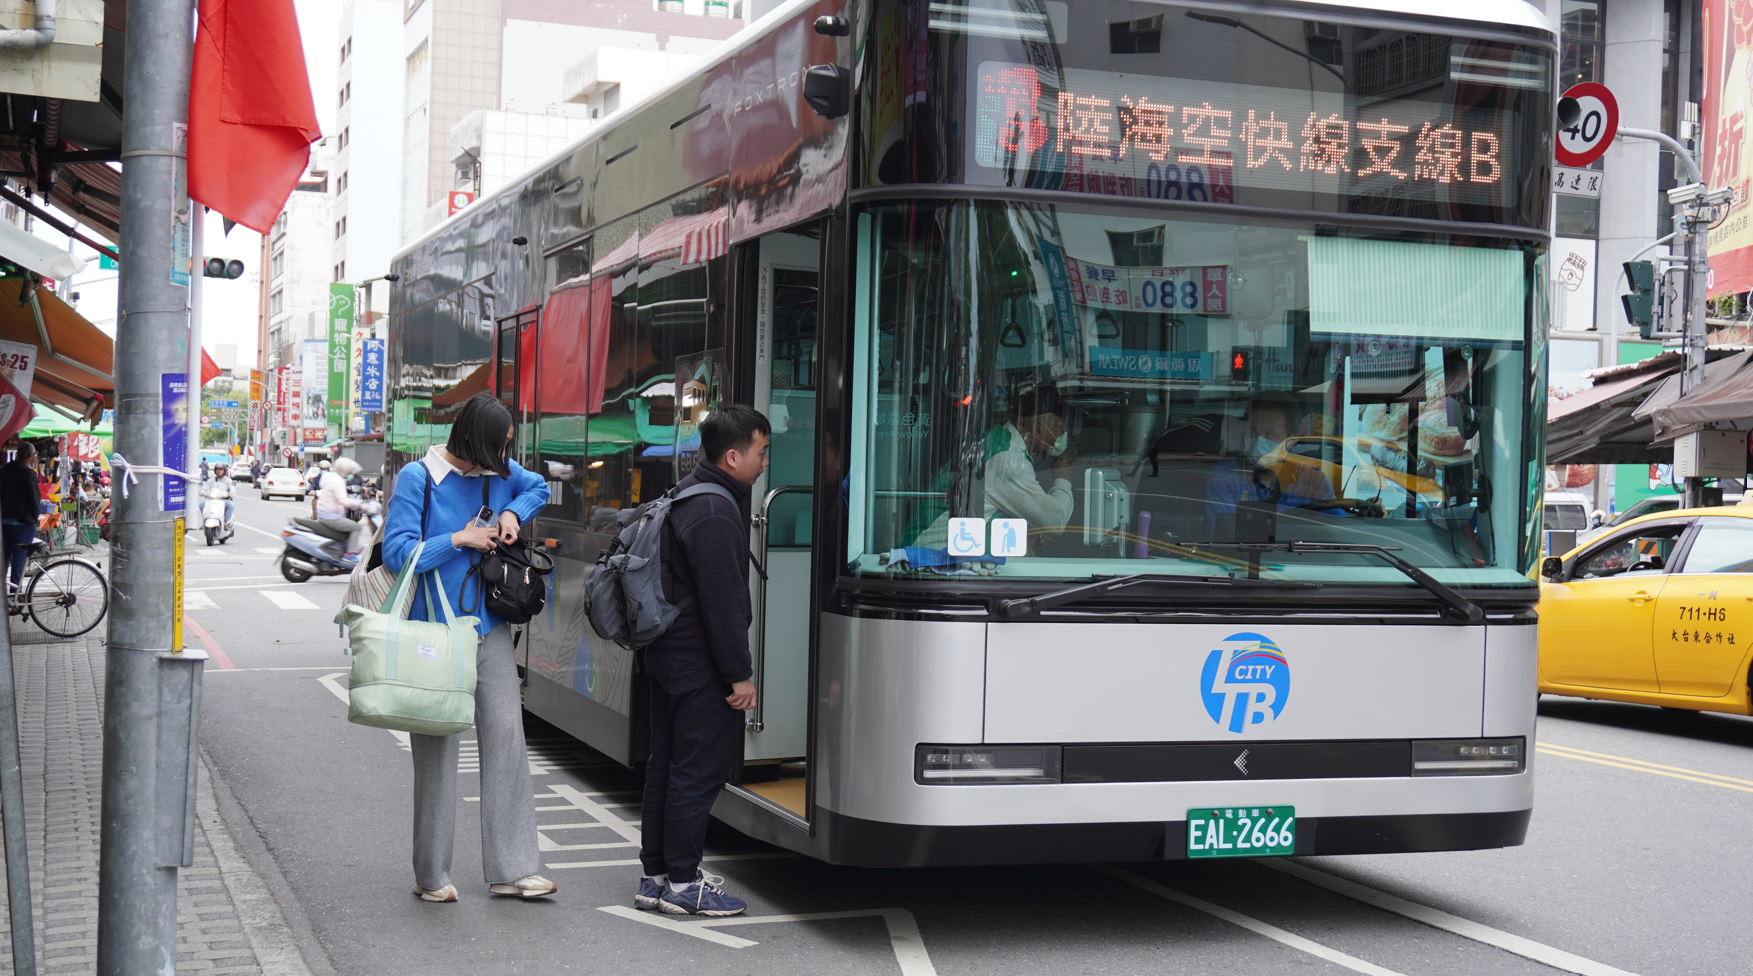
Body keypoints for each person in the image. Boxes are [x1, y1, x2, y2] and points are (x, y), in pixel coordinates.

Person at [381, 391, 554, 904]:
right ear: (475, 440)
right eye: (500, 447)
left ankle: (513, 869)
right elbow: (396, 552)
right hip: (433, 635)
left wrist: (513, 517)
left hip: (489, 631)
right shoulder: (419, 478)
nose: (506, 458)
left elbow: (539, 486)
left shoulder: (497, 474)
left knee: (506, 740)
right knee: (438, 754)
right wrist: (459, 539)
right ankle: (431, 875)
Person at [635, 404, 769, 918]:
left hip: (667, 656)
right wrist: (740, 674)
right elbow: (724, 603)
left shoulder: (686, 493)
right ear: (732, 456)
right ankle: (686, 883)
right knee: (696, 771)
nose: (763, 463)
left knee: (665, 769)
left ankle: (657, 877)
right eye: (760, 453)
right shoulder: (715, 510)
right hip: (698, 663)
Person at [910, 385, 1076, 553]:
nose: (1063, 433)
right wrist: (1064, 479)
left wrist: (1029, 536)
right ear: (1039, 428)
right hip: (931, 555)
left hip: (948, 551)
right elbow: (1054, 522)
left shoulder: (999, 442)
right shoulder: (1009, 459)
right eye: (1061, 426)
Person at [1205, 395, 1338, 537]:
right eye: (1253, 432)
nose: (1258, 441)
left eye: (1270, 434)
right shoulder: (1225, 476)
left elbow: (1340, 532)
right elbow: (1224, 538)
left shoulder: (1311, 479)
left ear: (1292, 441)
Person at [0, 443, 39, 597]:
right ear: (30, 456)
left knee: (5, 556)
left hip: (4, 520)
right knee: (20, 556)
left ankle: (2, 592)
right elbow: (34, 500)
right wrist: (35, 518)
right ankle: (15, 592)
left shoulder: (4, 471)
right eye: (34, 454)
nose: (35, 456)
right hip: (23, 523)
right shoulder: (29, 474)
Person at [316, 457, 367, 556]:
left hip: (326, 514)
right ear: (345, 471)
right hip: (331, 516)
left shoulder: (331, 478)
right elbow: (343, 500)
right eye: (351, 472)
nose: (352, 474)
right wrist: (358, 505)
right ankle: (351, 554)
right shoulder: (337, 482)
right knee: (356, 527)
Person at [209, 463, 236, 527]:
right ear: (215, 470)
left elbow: (232, 488)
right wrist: (202, 492)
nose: (219, 471)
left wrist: (231, 493)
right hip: (212, 500)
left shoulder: (228, 480)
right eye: (217, 469)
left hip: (223, 500)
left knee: (231, 505)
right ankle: (206, 519)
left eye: (221, 469)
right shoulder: (211, 480)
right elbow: (206, 487)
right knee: (202, 504)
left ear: (224, 471)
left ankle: (225, 522)